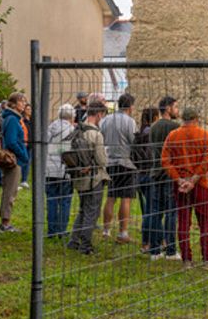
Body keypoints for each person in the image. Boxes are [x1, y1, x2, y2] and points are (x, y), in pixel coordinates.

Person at [162, 107, 208, 268]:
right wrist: (194, 179)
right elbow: (207, 160)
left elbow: (165, 160)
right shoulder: (204, 135)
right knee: (205, 221)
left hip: (181, 185)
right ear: (196, 118)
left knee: (184, 221)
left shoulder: (173, 136)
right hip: (200, 183)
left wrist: (179, 179)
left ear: (183, 119)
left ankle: (187, 259)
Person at [66, 98, 110, 255]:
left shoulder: (78, 130)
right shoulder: (95, 134)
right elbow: (102, 160)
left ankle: (73, 240)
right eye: (103, 115)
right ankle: (85, 245)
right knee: (92, 211)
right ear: (98, 114)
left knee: (83, 210)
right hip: (94, 178)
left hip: (79, 177)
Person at [100, 92, 138, 242]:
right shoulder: (130, 122)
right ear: (130, 106)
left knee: (110, 196)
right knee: (125, 198)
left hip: (109, 161)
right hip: (126, 162)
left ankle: (106, 230)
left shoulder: (106, 120)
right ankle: (123, 232)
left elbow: (100, 137)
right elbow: (134, 141)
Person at [147, 96, 181, 260]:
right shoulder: (175, 127)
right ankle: (171, 250)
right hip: (170, 173)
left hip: (155, 172)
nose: (177, 111)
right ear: (168, 108)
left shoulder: (153, 127)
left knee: (155, 212)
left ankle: (154, 250)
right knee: (171, 212)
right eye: (175, 107)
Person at [0, 92, 30, 233]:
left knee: (11, 190)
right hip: (13, 159)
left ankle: (5, 220)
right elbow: (11, 141)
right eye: (21, 101)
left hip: (15, 157)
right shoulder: (12, 119)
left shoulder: (14, 118)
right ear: (14, 103)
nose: (24, 104)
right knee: (10, 191)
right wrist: (23, 154)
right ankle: (5, 223)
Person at [44, 103, 76, 237]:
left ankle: (51, 230)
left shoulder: (50, 127)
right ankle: (62, 230)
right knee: (65, 200)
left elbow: (45, 145)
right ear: (72, 116)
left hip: (50, 168)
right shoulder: (72, 130)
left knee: (51, 199)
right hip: (64, 169)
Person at [132, 106, 159, 254]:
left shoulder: (140, 132)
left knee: (146, 210)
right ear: (154, 118)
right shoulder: (150, 134)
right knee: (151, 210)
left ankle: (148, 242)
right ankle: (147, 243)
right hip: (149, 174)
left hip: (139, 174)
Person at [19, 102, 33, 189]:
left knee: (28, 162)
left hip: (31, 144)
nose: (29, 111)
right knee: (22, 162)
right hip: (24, 143)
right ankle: (19, 179)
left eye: (30, 109)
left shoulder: (32, 120)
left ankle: (24, 180)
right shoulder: (22, 120)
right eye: (28, 109)